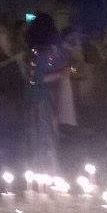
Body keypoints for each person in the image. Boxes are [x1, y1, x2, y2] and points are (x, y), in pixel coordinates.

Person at [23, 13, 67, 172]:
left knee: (43, 133)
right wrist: (61, 74)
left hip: (39, 97)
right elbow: (38, 78)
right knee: (45, 133)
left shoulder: (36, 52)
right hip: (41, 98)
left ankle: (43, 169)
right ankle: (46, 169)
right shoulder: (41, 54)